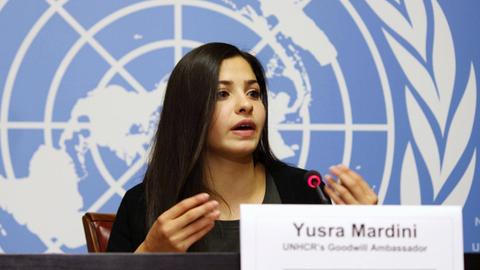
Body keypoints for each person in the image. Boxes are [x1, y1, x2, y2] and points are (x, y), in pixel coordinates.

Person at [107, 42, 378, 253]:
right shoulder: (143, 204)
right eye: (222, 94)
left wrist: (366, 237)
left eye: (254, 93)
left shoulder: (302, 192)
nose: (245, 105)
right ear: (188, 111)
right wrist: (150, 254)